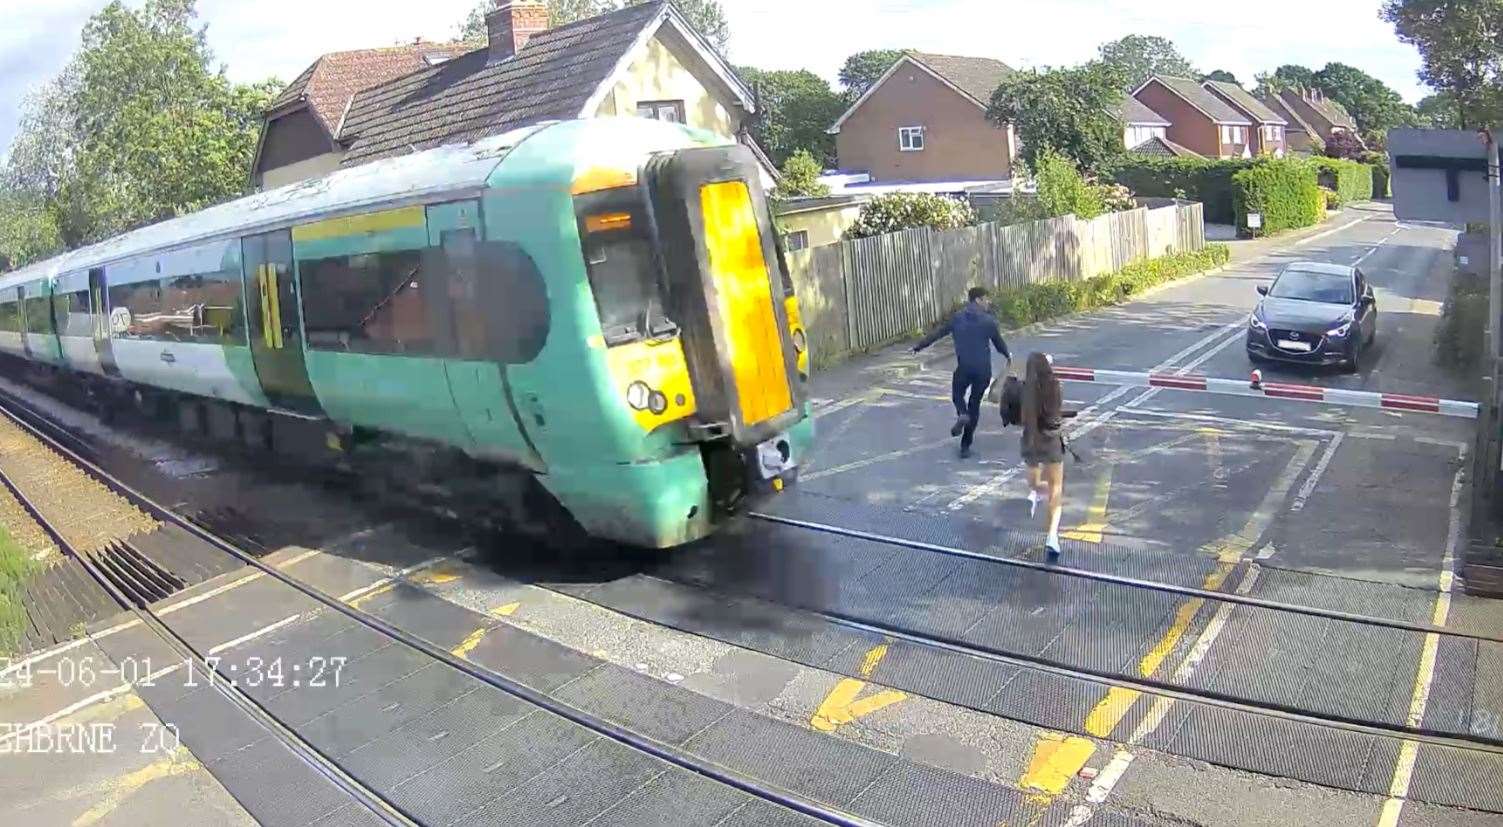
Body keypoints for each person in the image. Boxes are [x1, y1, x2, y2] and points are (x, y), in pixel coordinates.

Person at [912, 286, 1010, 458]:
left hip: (964, 368)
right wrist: (1007, 355)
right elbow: (999, 344)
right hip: (983, 371)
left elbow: (937, 334)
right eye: (986, 299)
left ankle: (962, 413)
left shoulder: (957, 318)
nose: (988, 302)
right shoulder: (989, 321)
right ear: (977, 300)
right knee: (975, 404)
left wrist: (919, 347)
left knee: (957, 394)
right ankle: (965, 445)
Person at [1021, 352, 1071, 558]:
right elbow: (1056, 412)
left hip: (1031, 441)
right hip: (1051, 441)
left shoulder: (1024, 389)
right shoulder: (1055, 387)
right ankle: (1051, 537)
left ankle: (1034, 494)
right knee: (1056, 489)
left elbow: (998, 396)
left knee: (1035, 483)